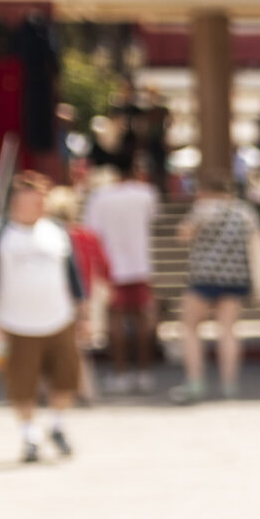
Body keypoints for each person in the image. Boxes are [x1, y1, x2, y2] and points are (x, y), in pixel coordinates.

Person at [0, 174, 86, 461]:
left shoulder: (58, 231)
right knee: (21, 384)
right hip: (16, 324)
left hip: (59, 319)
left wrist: (83, 316)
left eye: (42, 200)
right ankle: (29, 435)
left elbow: (74, 278)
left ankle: (57, 426)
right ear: (17, 202)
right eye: (34, 200)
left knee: (66, 380)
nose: (41, 205)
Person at [173, 176, 259, 402]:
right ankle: (229, 384)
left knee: (190, 328)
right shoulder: (245, 212)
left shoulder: (203, 209)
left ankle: (195, 382)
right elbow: (257, 239)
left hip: (204, 276)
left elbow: (183, 235)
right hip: (235, 276)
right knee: (228, 331)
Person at [83, 164, 160, 393]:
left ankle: (121, 373)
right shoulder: (146, 193)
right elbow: (153, 218)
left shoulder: (99, 197)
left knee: (114, 320)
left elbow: (91, 231)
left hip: (112, 266)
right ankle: (144, 373)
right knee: (143, 319)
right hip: (141, 264)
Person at [49, 186, 106, 403]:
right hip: (83, 295)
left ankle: (53, 392)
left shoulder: (49, 235)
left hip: (56, 295)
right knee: (78, 349)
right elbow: (104, 264)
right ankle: (86, 390)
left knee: (51, 345)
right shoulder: (88, 236)